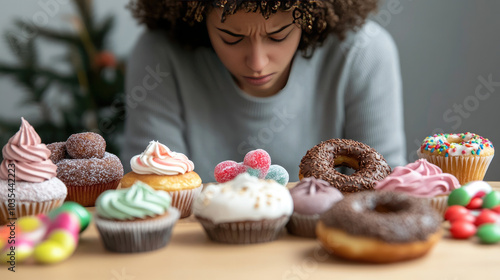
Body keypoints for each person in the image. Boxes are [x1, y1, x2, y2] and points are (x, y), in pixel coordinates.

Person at [122, 0, 407, 182]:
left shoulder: (363, 52)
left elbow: (385, 183)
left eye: (278, 35)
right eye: (232, 38)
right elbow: (153, 189)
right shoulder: (159, 56)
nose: (257, 63)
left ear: (310, 18)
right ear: (198, 18)